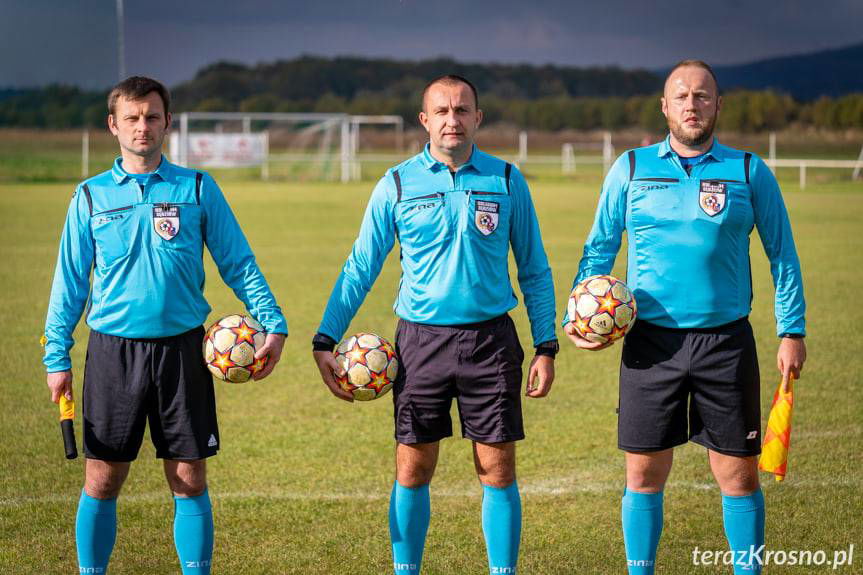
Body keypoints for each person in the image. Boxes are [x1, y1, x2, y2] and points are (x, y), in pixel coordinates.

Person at [563, 60, 807, 575]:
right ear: (665, 106)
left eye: (701, 95)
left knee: (739, 477)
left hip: (726, 344)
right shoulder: (631, 168)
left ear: (718, 105)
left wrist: (792, 330)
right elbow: (600, 247)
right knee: (643, 474)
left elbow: (782, 254)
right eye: (681, 96)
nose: (691, 105)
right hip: (651, 346)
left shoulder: (748, 170)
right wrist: (577, 314)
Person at [312, 74, 558, 575]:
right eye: (442, 111)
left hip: (491, 342)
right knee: (414, 466)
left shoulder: (506, 179)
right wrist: (325, 337)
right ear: (425, 120)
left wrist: (546, 344)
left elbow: (534, 267)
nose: (453, 119)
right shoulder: (397, 183)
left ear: (477, 118)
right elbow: (361, 266)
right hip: (420, 343)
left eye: (462, 110)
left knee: (497, 468)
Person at [43, 76, 288, 574]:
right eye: (132, 118)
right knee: (102, 479)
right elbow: (69, 282)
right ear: (113, 125)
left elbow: (238, 262)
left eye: (152, 116)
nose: (143, 126)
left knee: (189, 476)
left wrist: (273, 321)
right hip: (114, 353)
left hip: (183, 352)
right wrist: (56, 357)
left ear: (167, 123)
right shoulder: (89, 196)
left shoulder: (197, 188)